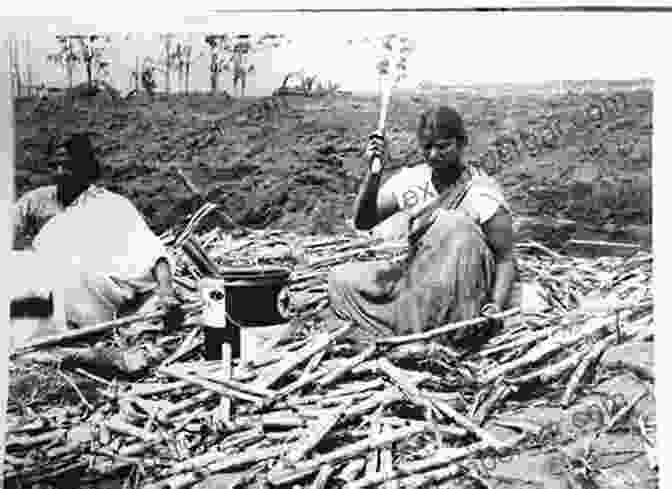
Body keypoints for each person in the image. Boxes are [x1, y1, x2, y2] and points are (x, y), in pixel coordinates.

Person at [327, 106, 517, 349]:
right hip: (418, 275)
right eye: (427, 147)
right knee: (341, 279)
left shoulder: (482, 193)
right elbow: (364, 221)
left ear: (462, 143)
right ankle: (411, 320)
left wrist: (496, 305)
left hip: (461, 289)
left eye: (443, 146)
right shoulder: (413, 181)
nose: (434, 154)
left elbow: (505, 258)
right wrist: (374, 173)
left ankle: (429, 329)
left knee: (452, 224)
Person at [11, 133, 179, 348]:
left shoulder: (112, 205)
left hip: (89, 292)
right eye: (56, 166)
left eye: (68, 166)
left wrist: (165, 291)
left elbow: (152, 252)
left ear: (85, 168)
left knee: (70, 277)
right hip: (45, 279)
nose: (61, 173)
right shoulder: (35, 201)